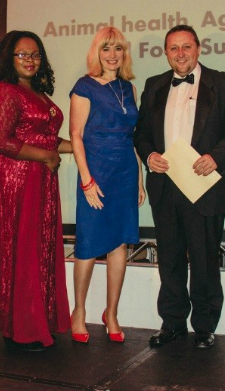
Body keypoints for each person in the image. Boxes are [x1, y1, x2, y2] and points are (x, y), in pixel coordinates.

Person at [134, 25, 225, 349]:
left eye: (187, 47)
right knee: (169, 260)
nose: (181, 54)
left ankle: (204, 327)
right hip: (165, 184)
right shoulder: (153, 85)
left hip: (204, 185)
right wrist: (149, 154)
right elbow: (141, 134)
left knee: (204, 261)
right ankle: (172, 323)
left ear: (198, 49)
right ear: (166, 52)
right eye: (174, 48)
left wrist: (216, 156)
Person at [0, 30, 72, 352]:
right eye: (23, 55)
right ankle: (19, 330)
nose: (30, 61)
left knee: (38, 250)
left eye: (35, 55)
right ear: (9, 58)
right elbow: (2, 141)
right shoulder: (5, 91)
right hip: (15, 180)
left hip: (40, 178)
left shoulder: (37, 93)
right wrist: (46, 156)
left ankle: (36, 322)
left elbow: (48, 139)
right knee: (21, 251)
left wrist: (88, 149)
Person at [69, 27, 145, 344]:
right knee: (87, 245)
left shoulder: (128, 88)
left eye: (117, 49)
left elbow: (134, 138)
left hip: (125, 172)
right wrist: (86, 180)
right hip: (95, 172)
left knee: (120, 244)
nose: (112, 54)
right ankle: (79, 311)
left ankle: (111, 312)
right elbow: (75, 136)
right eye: (106, 49)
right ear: (96, 52)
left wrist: (139, 180)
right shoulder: (84, 86)